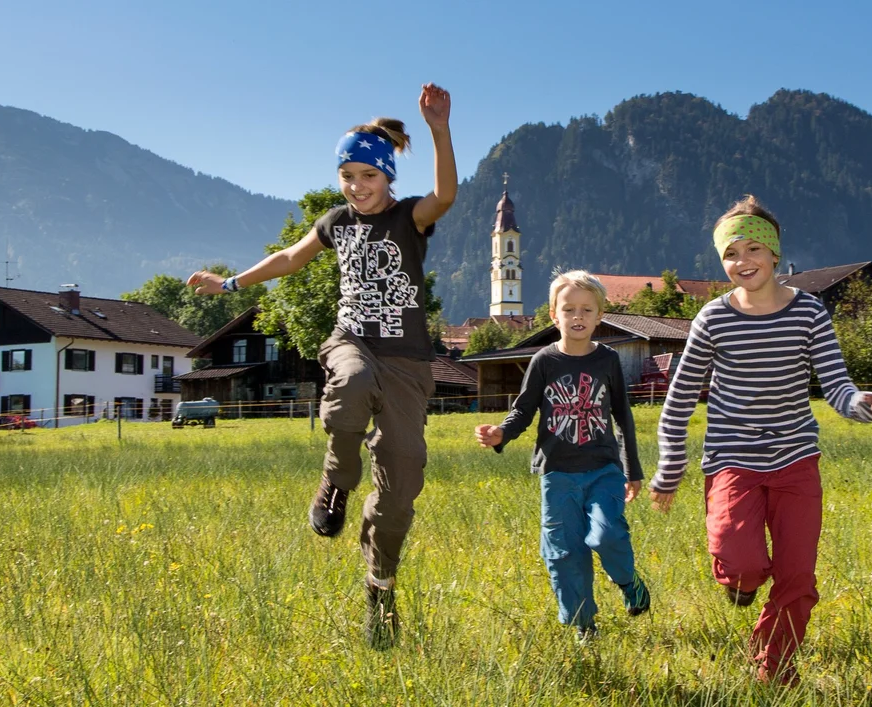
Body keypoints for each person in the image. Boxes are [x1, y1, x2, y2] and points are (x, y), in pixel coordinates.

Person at [187, 84, 456, 649]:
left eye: (368, 176)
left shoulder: (410, 218)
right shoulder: (336, 222)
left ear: (388, 177)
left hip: (407, 362)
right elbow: (289, 258)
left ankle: (380, 586)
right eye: (347, 175)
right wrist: (229, 283)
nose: (357, 186)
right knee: (350, 384)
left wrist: (439, 129)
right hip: (351, 340)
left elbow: (446, 195)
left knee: (402, 485)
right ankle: (336, 481)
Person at [648, 195, 872, 684]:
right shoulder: (713, 319)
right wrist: (670, 468)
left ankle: (775, 667)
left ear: (775, 253)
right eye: (730, 254)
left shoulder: (809, 313)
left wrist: (862, 403)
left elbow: (837, 386)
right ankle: (739, 581)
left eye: (753, 249)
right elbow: (678, 401)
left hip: (796, 460)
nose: (743, 261)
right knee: (742, 563)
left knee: (798, 578)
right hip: (732, 461)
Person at [473, 271, 650, 643]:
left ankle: (628, 581)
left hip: (604, 470)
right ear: (554, 315)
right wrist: (502, 432)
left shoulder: (608, 360)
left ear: (599, 316)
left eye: (586, 309)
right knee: (564, 551)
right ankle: (584, 625)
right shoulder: (544, 361)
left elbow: (622, 415)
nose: (577, 316)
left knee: (606, 535)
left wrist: (631, 467)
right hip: (557, 474)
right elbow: (524, 410)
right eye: (569, 309)